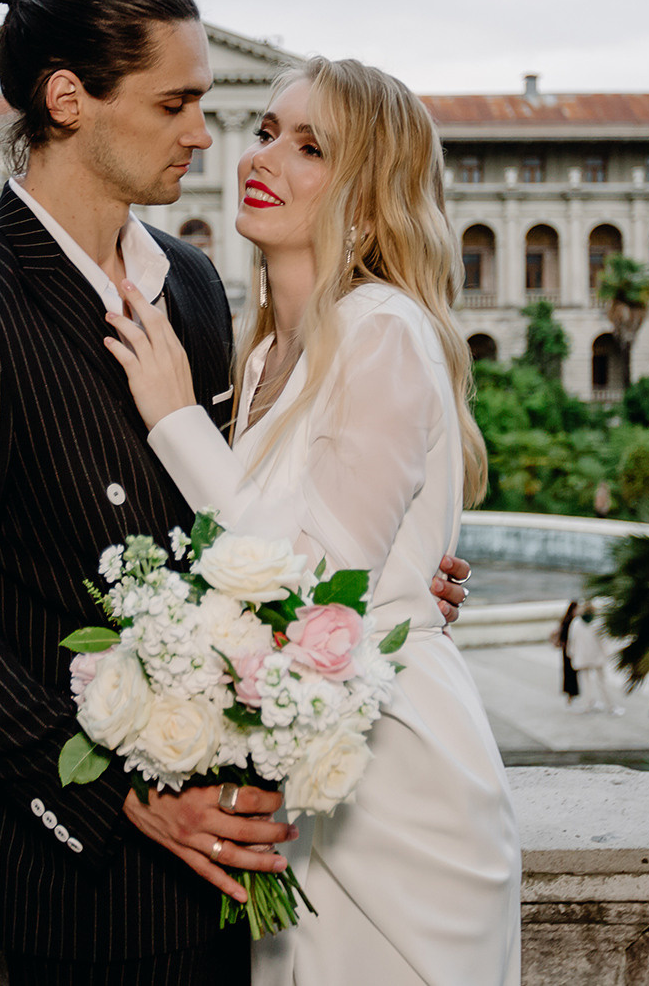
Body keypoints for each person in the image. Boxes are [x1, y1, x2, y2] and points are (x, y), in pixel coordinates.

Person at [0, 0, 473, 986]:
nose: (208, 134)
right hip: (90, 891)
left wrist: (378, 593)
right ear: (68, 99)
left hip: (261, 855)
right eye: (174, 105)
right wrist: (120, 794)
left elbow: (256, 525)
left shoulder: (189, 283)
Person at [102, 57, 523, 985]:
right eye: (265, 132)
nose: (265, 157)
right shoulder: (262, 356)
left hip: (398, 785)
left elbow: (313, 584)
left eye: (311, 147)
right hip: (302, 775)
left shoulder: (384, 328)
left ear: (370, 203)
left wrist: (174, 420)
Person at [558, 599, 621, 715]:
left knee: (585, 682)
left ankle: (587, 705)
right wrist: (608, 653)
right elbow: (604, 641)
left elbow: (572, 640)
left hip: (582, 657)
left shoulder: (576, 623)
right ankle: (611, 706)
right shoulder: (598, 622)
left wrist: (571, 654)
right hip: (596, 656)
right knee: (602, 682)